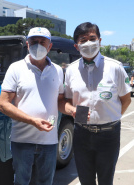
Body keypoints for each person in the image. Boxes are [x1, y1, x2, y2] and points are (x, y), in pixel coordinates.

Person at [61, 22, 131, 185]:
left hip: (109, 135)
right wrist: (73, 111)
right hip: (81, 133)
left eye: (92, 38)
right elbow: (67, 101)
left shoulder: (115, 67)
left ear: (100, 40)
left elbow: (126, 100)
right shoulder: (71, 70)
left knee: (106, 180)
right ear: (76, 46)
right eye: (83, 40)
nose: (88, 43)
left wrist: (110, 117)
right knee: (85, 180)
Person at [0, 27, 64, 185]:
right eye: (34, 41)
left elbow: (60, 100)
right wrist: (32, 121)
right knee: (21, 181)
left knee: (46, 181)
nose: (38, 45)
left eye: (43, 42)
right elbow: (3, 104)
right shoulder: (16, 68)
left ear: (50, 46)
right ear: (27, 44)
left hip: (49, 141)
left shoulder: (58, 70)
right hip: (22, 140)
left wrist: (75, 110)